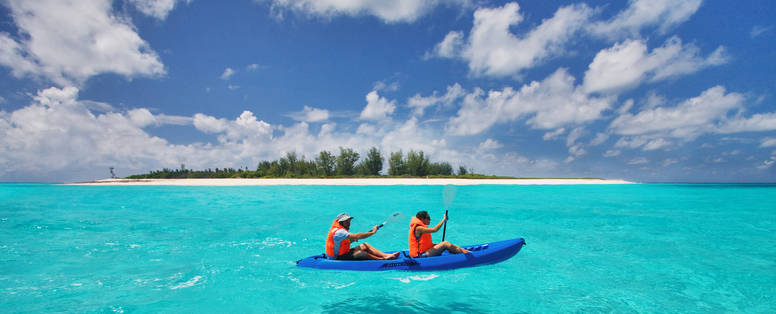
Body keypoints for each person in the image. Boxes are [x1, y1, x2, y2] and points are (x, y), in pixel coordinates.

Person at [326, 212, 400, 260]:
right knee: (361, 253)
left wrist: (351, 240)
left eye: (349, 221)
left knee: (365, 245)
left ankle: (386, 255)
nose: (349, 223)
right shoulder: (339, 231)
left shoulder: (341, 229)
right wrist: (373, 232)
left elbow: (340, 242)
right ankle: (381, 260)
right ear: (341, 222)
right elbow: (357, 235)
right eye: (346, 222)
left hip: (344, 253)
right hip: (337, 258)